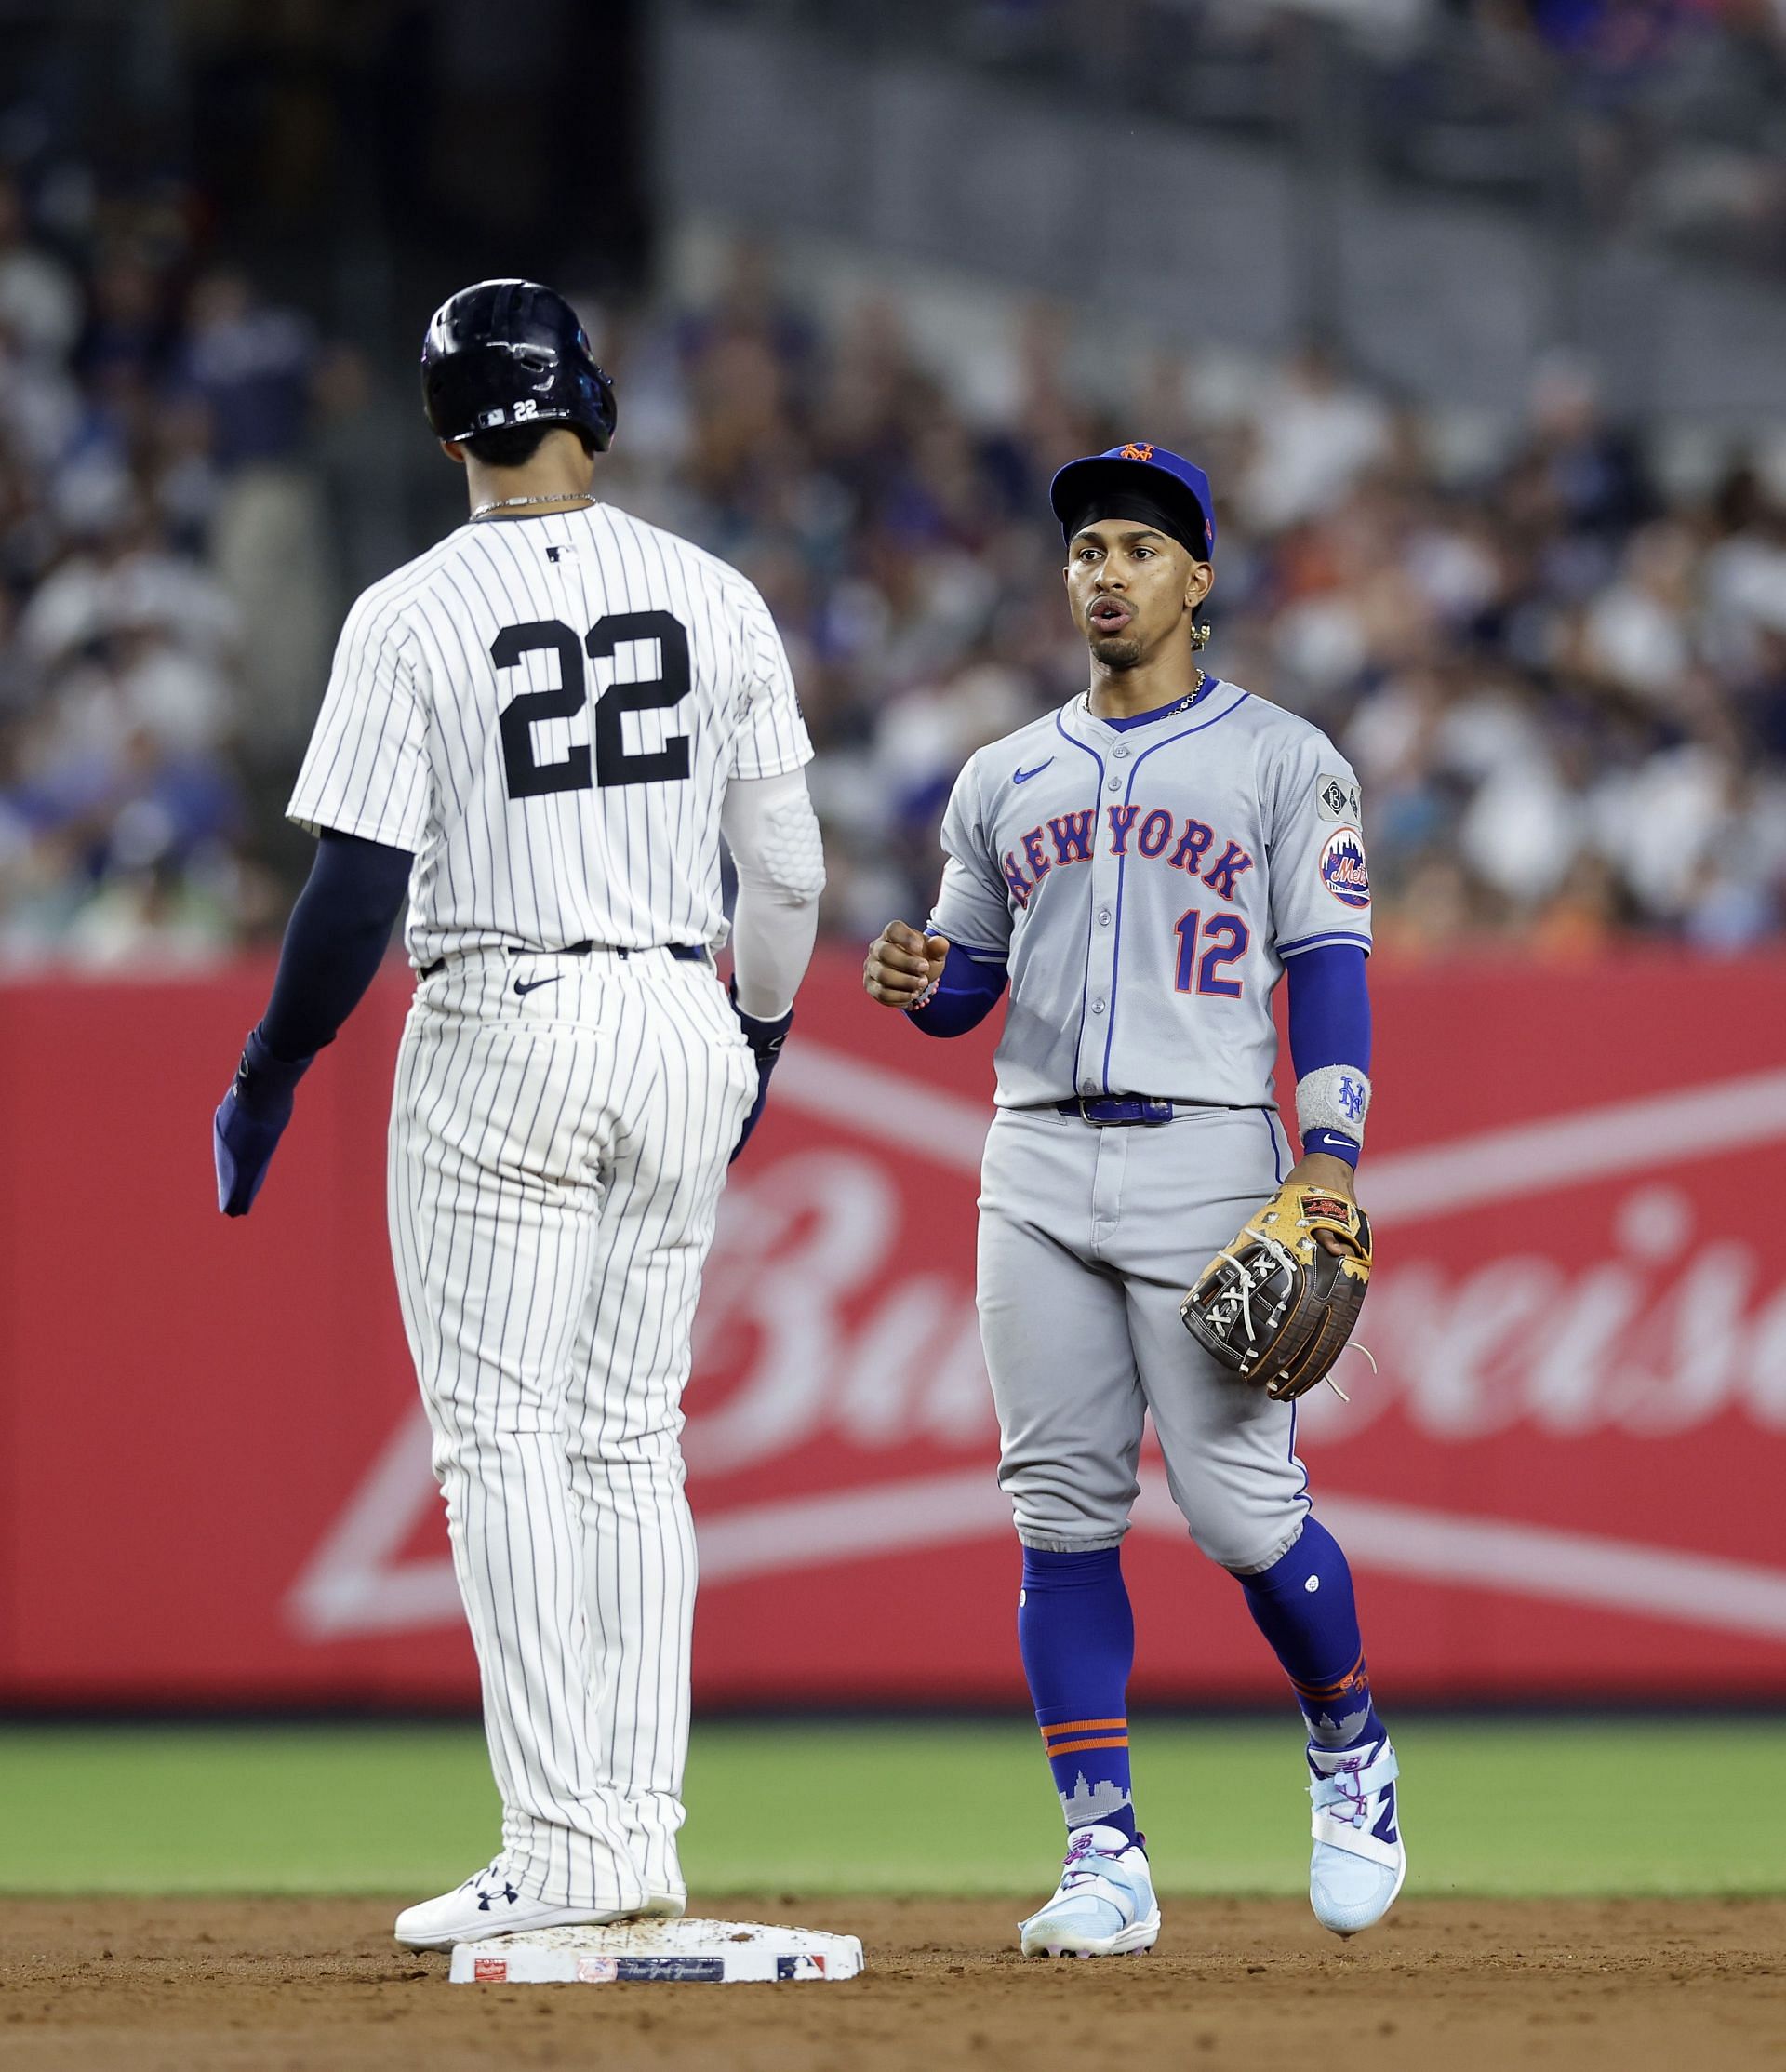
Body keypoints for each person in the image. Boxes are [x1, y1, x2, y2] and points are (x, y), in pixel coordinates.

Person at [213, 279, 823, 1951]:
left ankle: (560, 1840)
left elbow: (353, 893)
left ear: (442, 424)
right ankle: (633, 1833)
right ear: (589, 403)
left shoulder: (410, 612)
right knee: (631, 1442)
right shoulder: (715, 595)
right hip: (677, 1006)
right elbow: (784, 877)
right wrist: (750, 1044)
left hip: (506, 1011)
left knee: (504, 1446)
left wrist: (275, 1068)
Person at [862, 442, 1402, 1958]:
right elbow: (967, 984)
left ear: (1199, 578)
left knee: (1243, 1515)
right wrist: (919, 981)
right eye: (1087, 547)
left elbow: (1329, 973)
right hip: (1031, 1158)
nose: (1105, 571)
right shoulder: (1002, 774)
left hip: (1209, 1155)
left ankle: (1351, 1746)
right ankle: (1105, 1853)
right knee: (1058, 1514)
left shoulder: (1286, 761)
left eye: (1138, 548)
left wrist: (1332, 1153)